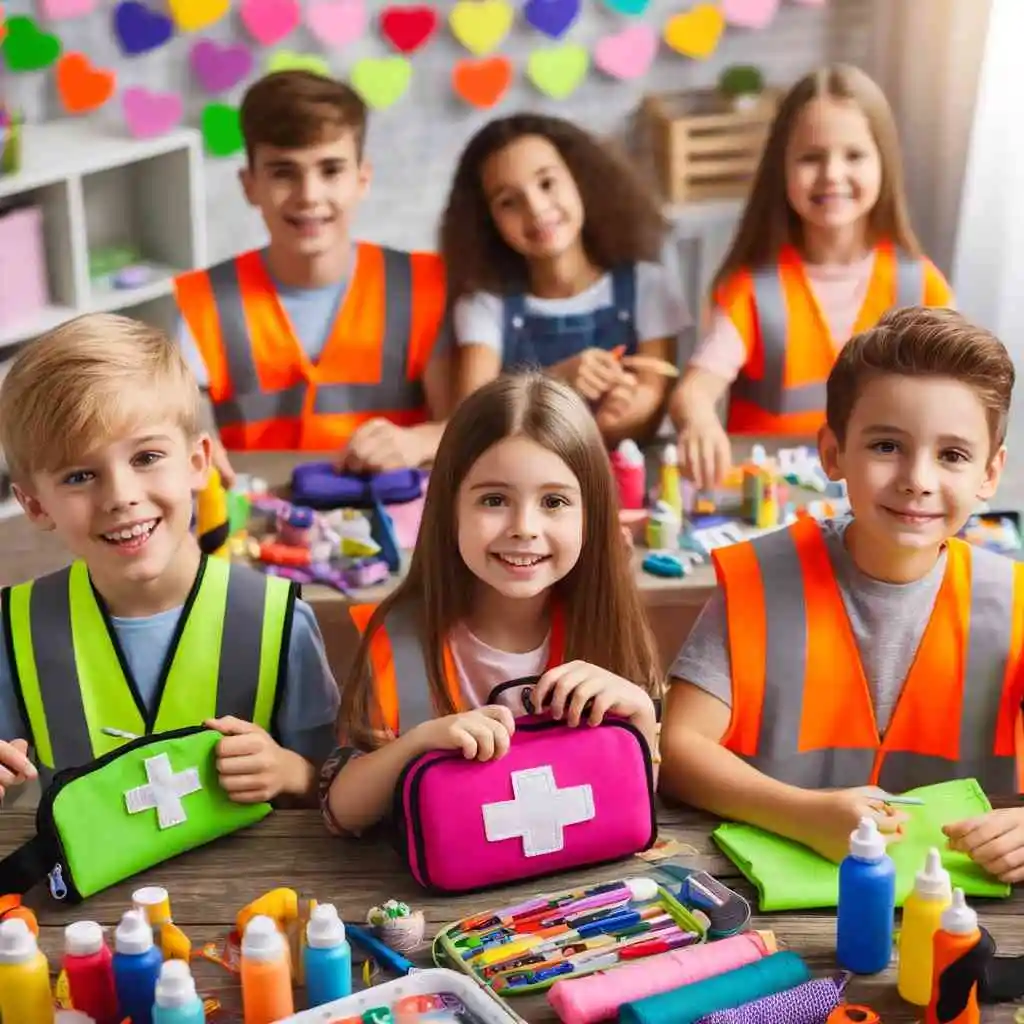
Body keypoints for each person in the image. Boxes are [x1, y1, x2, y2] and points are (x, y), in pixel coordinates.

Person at [659, 307, 1024, 882]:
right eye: (886, 446)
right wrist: (803, 814)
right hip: (764, 898)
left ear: (989, 473)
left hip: (966, 907)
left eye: (952, 455)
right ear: (832, 453)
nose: (917, 479)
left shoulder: (1016, 604)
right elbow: (679, 750)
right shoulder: (761, 581)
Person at [0, 314, 339, 805]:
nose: (121, 496)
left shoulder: (279, 621)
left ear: (199, 462)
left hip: (253, 879)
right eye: (79, 476)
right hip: (81, 882)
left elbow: (332, 786)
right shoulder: (15, 629)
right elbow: (13, 789)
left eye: (146, 458)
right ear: (34, 504)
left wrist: (289, 772)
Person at [321, 373, 662, 835]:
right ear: (449, 509)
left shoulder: (607, 621)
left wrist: (640, 714)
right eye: (495, 499)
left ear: (592, 515)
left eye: (555, 501)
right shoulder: (400, 639)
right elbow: (341, 813)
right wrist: (418, 744)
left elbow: (640, 801)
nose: (524, 526)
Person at [671, 64, 954, 488]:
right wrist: (698, 421)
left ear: (884, 164)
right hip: (774, 499)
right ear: (780, 169)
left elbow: (961, 390)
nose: (832, 175)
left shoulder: (920, 284)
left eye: (854, 155)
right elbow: (694, 391)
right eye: (811, 157)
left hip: (886, 496)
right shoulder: (753, 290)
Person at [174, 71, 452, 487]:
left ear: (363, 179)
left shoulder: (425, 286)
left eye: (331, 170)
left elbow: (465, 423)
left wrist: (422, 440)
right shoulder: (203, 304)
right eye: (283, 172)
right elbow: (186, 433)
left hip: (397, 520)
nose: (309, 195)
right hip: (261, 527)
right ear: (249, 185)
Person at [441, 114, 690, 446]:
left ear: (580, 181)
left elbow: (652, 395)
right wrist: (553, 383)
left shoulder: (649, 285)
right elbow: (471, 417)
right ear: (487, 222)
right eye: (508, 202)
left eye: (546, 183)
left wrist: (623, 412)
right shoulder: (485, 305)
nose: (536, 209)